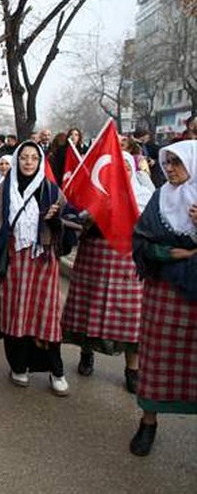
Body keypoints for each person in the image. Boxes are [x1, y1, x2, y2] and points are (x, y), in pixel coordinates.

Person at [0, 141, 71, 396]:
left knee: (46, 315)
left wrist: (56, 219)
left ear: (40, 162)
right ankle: (19, 366)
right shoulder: (1, 191)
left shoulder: (52, 191)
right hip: (13, 262)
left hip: (43, 261)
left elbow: (70, 221)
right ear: (17, 161)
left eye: (34, 158)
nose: (29, 162)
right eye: (24, 158)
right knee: (14, 314)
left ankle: (56, 370)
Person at [61, 152, 154, 393]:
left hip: (128, 260)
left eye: (126, 167)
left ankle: (132, 369)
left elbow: (152, 227)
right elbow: (77, 217)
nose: (122, 172)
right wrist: (91, 214)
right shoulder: (97, 193)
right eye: (117, 167)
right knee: (89, 307)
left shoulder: (145, 196)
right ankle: (86, 353)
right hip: (95, 255)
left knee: (132, 315)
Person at [128, 140, 197, 456]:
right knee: (156, 357)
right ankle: (148, 422)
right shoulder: (158, 199)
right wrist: (169, 252)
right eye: (166, 163)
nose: (169, 169)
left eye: (176, 163)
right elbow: (140, 241)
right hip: (164, 293)